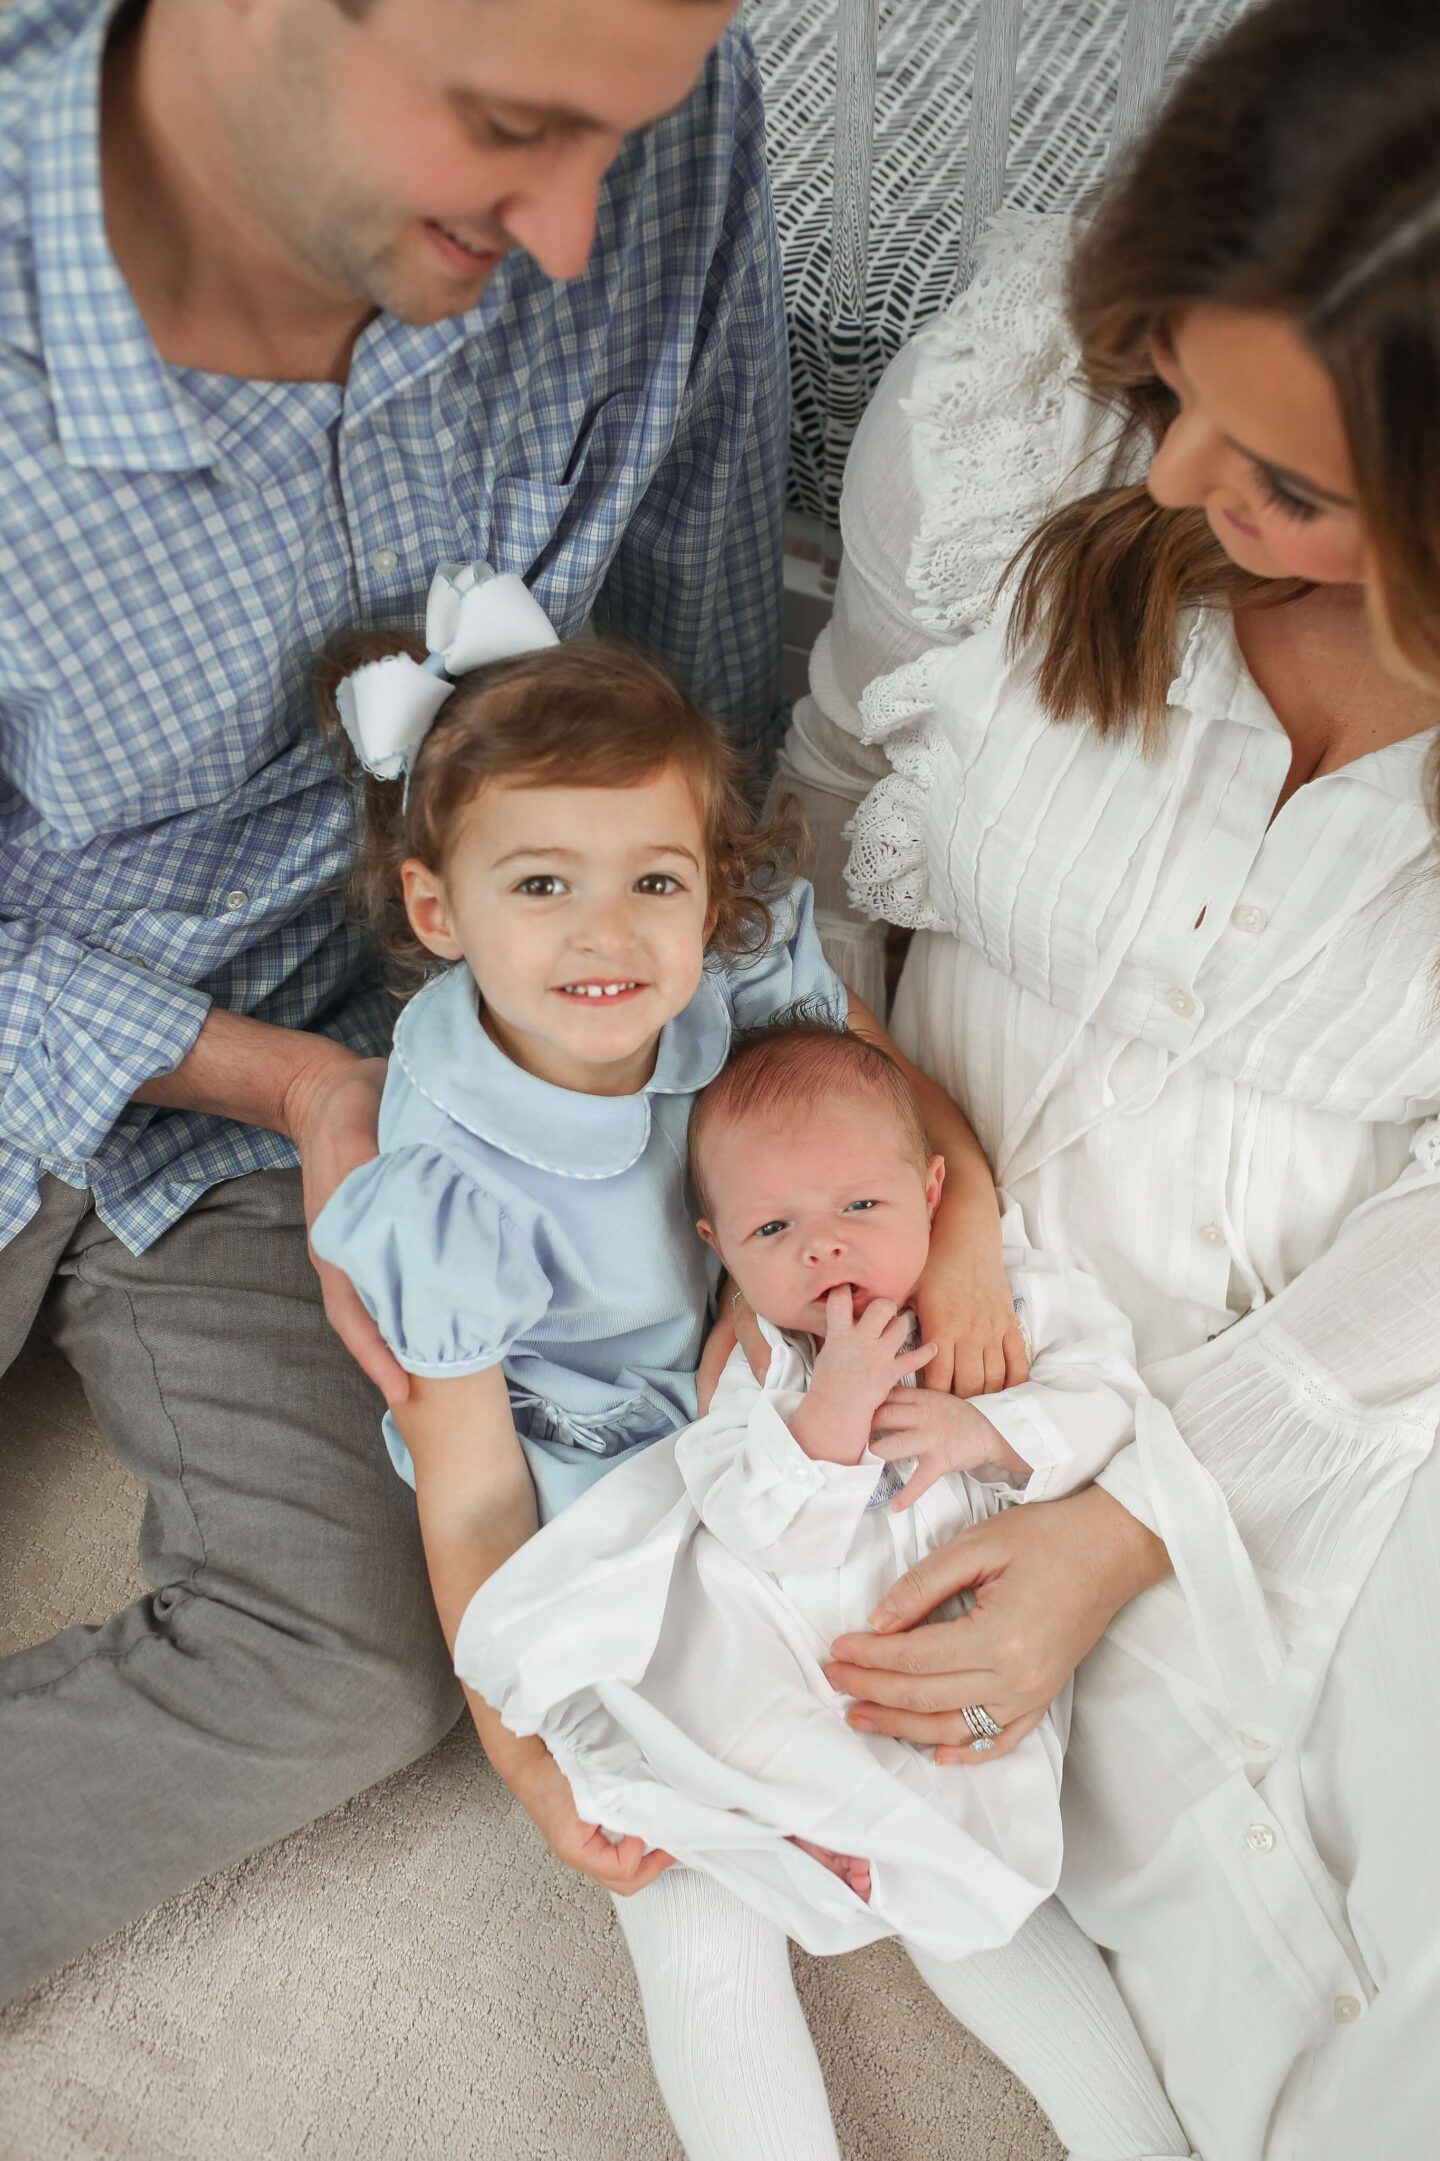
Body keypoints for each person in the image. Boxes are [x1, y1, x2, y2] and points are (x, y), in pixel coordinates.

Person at [0, 0, 790, 2000]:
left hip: (353, 1043)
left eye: (615, 137)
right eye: (513, 130)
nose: (575, 237)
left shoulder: (656, 112)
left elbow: (691, 656)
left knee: (355, 1662)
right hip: (100, 1014)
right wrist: (275, 1081)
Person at [774, 1, 1440, 2154]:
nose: (1165, 480)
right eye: (1169, 386)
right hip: (982, 1339)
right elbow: (813, 835)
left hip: (1371, 1380)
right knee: (1188, 1962)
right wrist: (840, 1219)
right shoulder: (1008, 427)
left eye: (1291, 479)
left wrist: (1146, 1512)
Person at [307, 573, 1020, 1907]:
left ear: (710, 893)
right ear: (437, 910)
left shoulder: (735, 976)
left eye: (654, 878)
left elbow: (894, 1097)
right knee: (686, 1785)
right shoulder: (454, 1181)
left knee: (928, 1612)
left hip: (765, 1344)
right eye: (539, 882)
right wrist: (524, 1758)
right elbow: (470, 1494)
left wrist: (966, 1225)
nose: (607, 931)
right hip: (594, 1448)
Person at [457, 1019, 1193, 2161]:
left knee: (985, 1896)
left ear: (933, 1188)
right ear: (719, 1247)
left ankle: (1140, 2140)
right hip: (784, 1672)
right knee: (701, 1904)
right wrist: (826, 1418)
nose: (824, 1252)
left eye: (860, 1207)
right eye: (773, 1229)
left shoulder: (1012, 1296)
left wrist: (986, 1430)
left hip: (940, 1673)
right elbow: (757, 1527)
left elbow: (1108, 1398)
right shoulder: (758, 1362)